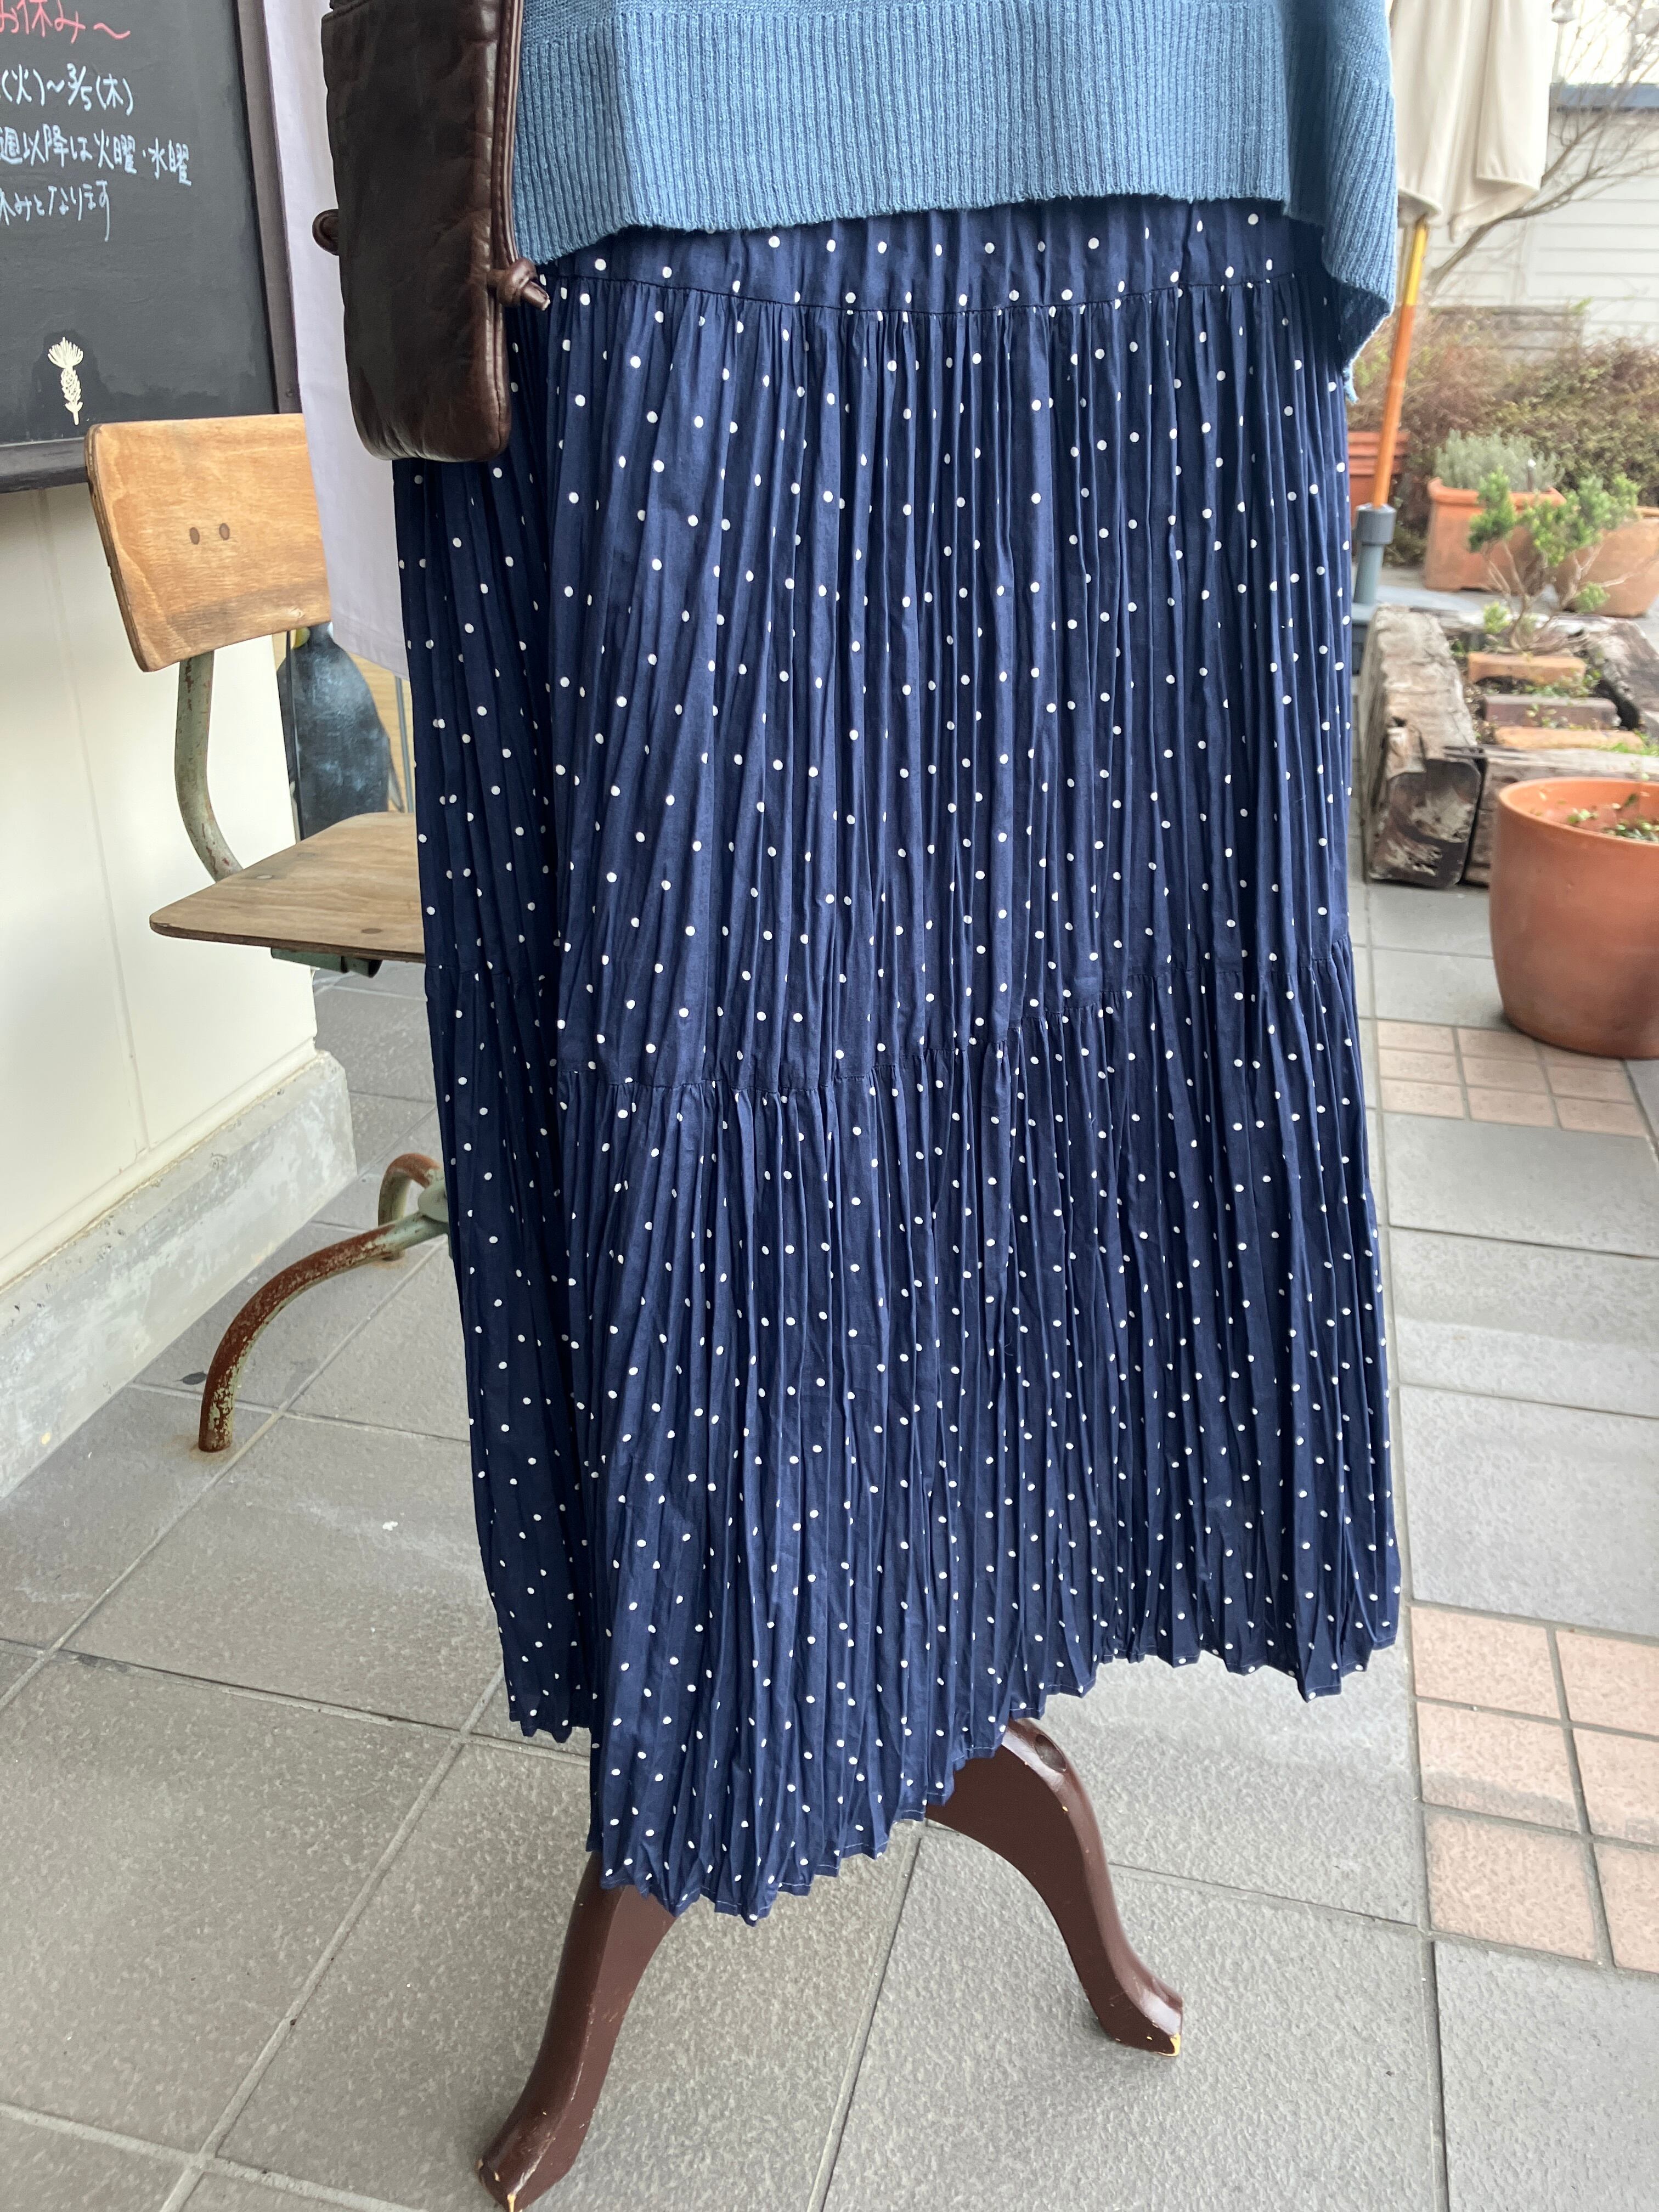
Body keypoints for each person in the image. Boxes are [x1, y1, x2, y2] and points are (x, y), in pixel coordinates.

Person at [395, 0, 1401, 1923]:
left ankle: (839, 1667)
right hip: (956, 182)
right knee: (751, 1042)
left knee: (781, 1032)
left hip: (796, 185)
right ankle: (795, 1678)